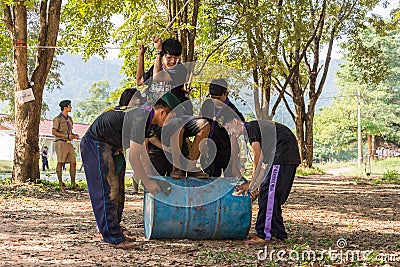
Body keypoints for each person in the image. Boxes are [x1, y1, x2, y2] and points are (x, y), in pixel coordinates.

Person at [81, 90, 175, 249]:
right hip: (96, 143)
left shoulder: (145, 118)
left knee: (118, 190)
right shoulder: (142, 118)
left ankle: (114, 227)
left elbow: (143, 150)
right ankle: (112, 236)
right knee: (108, 189)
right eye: (171, 118)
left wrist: (150, 177)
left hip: (112, 147)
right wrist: (147, 182)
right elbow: (134, 158)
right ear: (163, 112)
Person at [137, 37, 209, 178]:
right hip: (156, 123)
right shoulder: (155, 67)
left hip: (176, 117)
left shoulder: (180, 70)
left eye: (176, 58)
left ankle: (188, 167)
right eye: (169, 57)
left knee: (203, 125)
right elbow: (140, 81)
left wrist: (158, 52)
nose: (173, 61)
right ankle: (174, 169)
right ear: (163, 55)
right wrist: (141, 55)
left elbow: (158, 77)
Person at [225, 118, 301, 244]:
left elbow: (258, 155)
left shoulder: (250, 128)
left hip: (281, 156)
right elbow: (263, 165)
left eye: (229, 128)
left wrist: (252, 182)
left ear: (235, 121)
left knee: (268, 196)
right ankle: (278, 232)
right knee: (273, 196)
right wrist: (254, 184)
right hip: (284, 157)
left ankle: (264, 235)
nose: (230, 133)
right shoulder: (257, 130)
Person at [200, 78, 245, 177]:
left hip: (227, 153)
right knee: (210, 182)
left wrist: (234, 165)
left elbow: (234, 140)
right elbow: (202, 124)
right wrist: (202, 143)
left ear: (226, 94)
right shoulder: (207, 105)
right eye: (213, 97)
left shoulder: (233, 113)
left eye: (219, 98)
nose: (215, 101)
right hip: (210, 150)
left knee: (229, 182)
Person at [52, 100, 81, 190]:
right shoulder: (58, 119)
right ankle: (61, 184)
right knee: (60, 162)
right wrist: (67, 136)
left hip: (69, 143)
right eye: (70, 106)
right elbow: (54, 132)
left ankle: (73, 184)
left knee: (73, 162)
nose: (71, 108)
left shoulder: (70, 119)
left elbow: (69, 131)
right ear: (65, 108)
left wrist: (74, 135)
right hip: (61, 142)